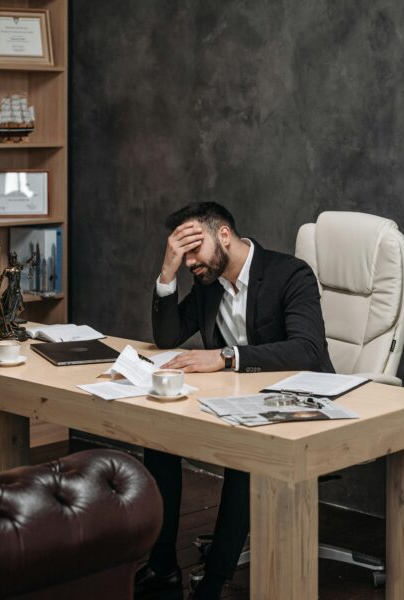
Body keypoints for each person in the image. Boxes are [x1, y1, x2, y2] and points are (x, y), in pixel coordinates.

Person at [136, 202, 333, 600]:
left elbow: (308, 349)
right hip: (237, 401)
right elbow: (168, 337)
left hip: (297, 402)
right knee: (159, 438)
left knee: (246, 458)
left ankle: (212, 585)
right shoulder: (208, 285)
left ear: (223, 234)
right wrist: (167, 272)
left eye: (193, 248)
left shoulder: (289, 274)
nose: (190, 260)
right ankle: (162, 566)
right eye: (181, 251)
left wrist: (226, 356)